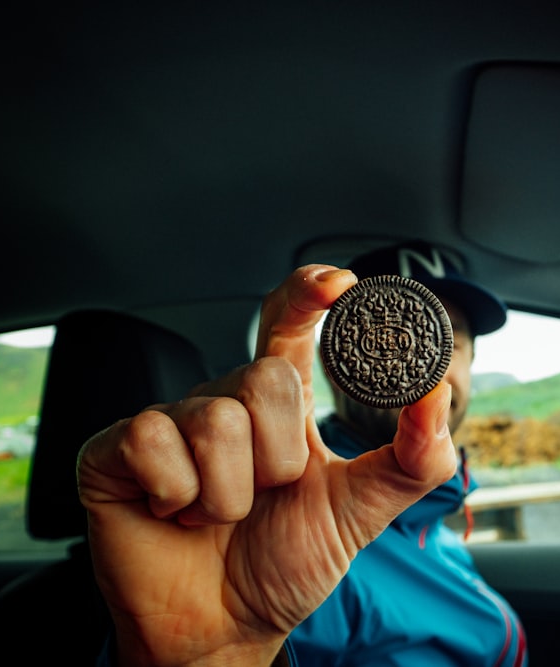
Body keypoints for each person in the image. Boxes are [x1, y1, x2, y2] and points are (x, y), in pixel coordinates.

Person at [77, 240, 524, 666]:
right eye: (380, 327)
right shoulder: (288, 539)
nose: (416, 355)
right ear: (335, 359)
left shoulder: (435, 524)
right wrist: (220, 659)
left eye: (451, 336)